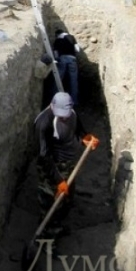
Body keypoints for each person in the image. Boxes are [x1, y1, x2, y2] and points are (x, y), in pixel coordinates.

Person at [34, 92, 99, 238]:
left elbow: (78, 129)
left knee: (67, 197)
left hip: (68, 164)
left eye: (66, 114)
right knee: (50, 201)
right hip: (50, 167)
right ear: (52, 106)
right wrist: (58, 180)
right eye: (61, 114)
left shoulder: (72, 114)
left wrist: (86, 138)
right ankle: (47, 235)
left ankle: (59, 224)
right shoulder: (43, 124)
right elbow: (44, 156)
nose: (64, 117)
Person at [53, 28, 81, 106]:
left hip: (62, 59)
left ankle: (55, 99)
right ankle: (74, 101)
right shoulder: (71, 37)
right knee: (73, 80)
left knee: (58, 79)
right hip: (72, 59)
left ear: (57, 35)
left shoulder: (57, 40)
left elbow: (55, 53)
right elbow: (77, 49)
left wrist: (57, 60)